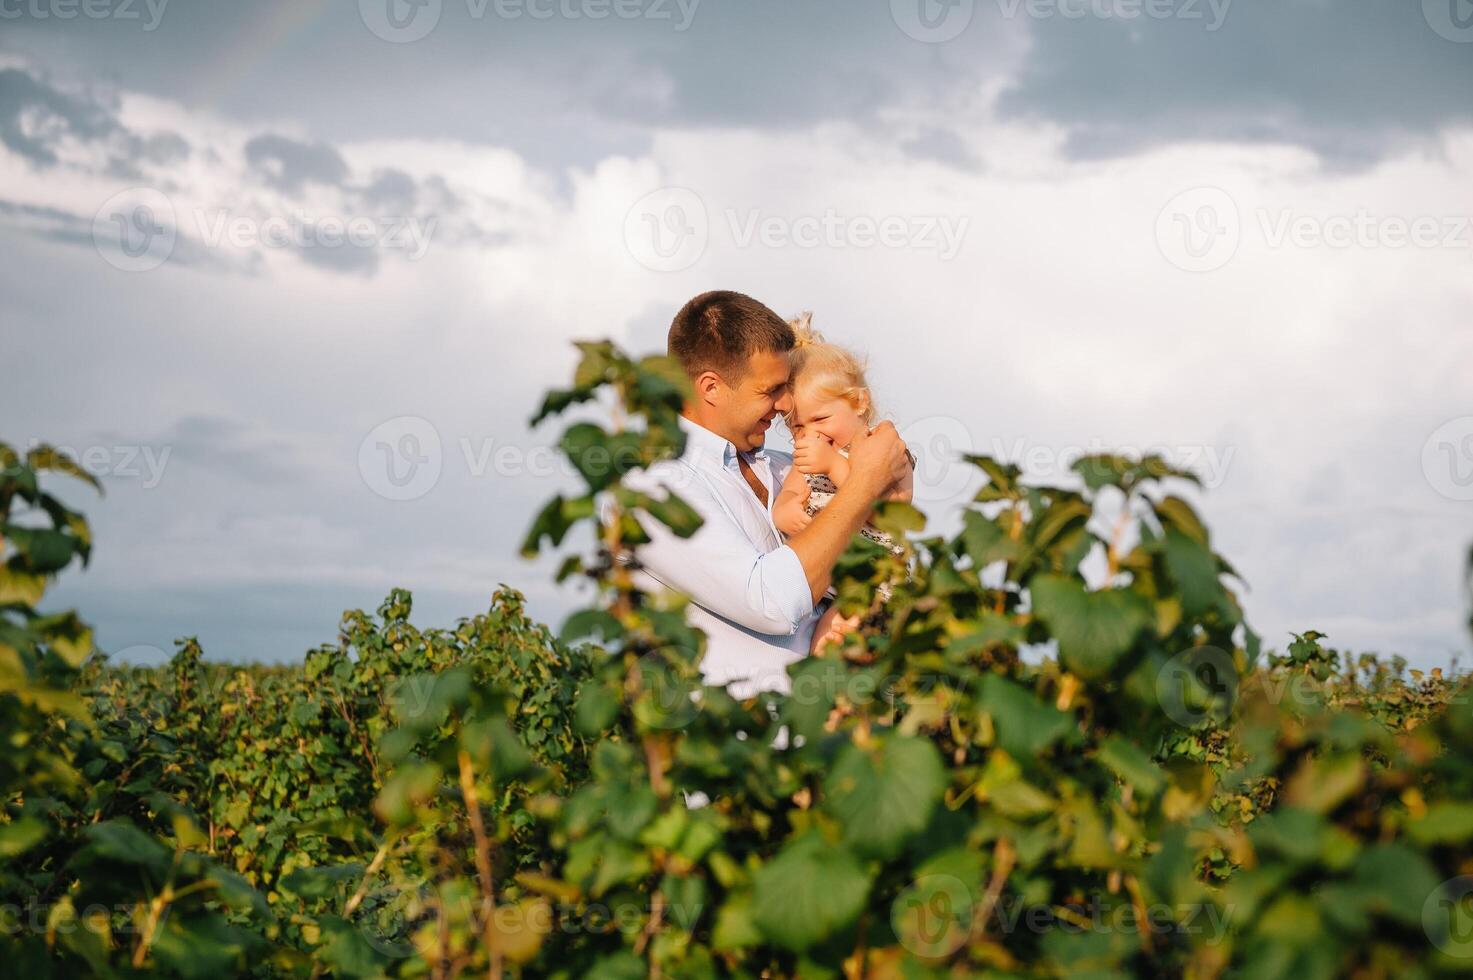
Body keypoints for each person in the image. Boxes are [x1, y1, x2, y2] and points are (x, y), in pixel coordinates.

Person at [621, 290, 910, 698]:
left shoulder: (782, 464)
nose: (786, 403)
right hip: (737, 745)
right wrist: (864, 479)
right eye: (770, 390)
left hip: (834, 737)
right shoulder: (653, 488)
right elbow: (771, 602)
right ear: (711, 388)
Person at [773, 313, 915, 654]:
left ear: (859, 403)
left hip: (877, 581)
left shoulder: (884, 448)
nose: (811, 434)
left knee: (852, 641)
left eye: (821, 418)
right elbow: (791, 490)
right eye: (798, 427)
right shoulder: (806, 460)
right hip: (831, 584)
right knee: (823, 645)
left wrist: (835, 465)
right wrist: (785, 510)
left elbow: (891, 514)